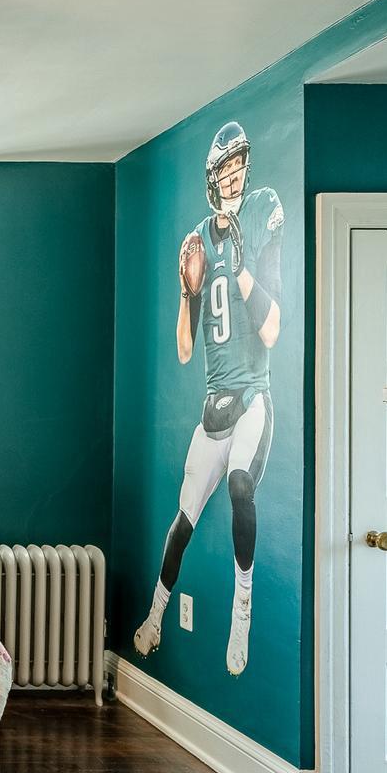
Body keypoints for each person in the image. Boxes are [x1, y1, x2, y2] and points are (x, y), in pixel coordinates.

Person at [132, 121, 284, 675]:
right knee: (183, 520)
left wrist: (241, 268)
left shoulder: (263, 214)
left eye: (238, 163)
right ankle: (155, 616)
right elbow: (181, 348)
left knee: (241, 483)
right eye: (224, 166)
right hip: (214, 402)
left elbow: (271, 331)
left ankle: (241, 608)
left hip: (253, 397)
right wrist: (185, 292)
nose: (233, 174)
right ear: (212, 177)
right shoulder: (198, 236)